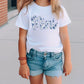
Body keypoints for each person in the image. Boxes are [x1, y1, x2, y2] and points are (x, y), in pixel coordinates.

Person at [15, 0, 72, 84]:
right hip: (34, 58)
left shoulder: (59, 10)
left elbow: (65, 36)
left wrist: (68, 60)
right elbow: (22, 38)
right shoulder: (27, 10)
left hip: (54, 59)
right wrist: (23, 63)